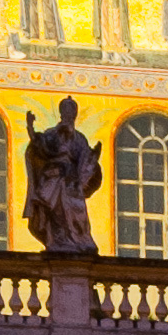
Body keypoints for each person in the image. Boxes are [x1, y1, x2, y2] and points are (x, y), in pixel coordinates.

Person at [22, 96, 102, 254]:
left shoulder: (79, 138)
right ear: (61, 113)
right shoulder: (53, 133)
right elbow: (40, 146)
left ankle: (78, 240)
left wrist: (93, 158)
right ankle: (58, 241)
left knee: (76, 212)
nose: (69, 114)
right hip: (54, 177)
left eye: (72, 110)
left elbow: (85, 159)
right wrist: (30, 128)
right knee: (55, 213)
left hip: (71, 182)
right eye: (66, 110)